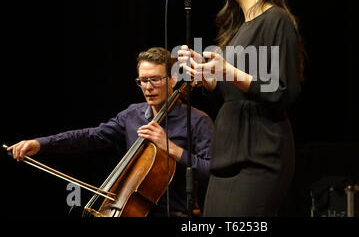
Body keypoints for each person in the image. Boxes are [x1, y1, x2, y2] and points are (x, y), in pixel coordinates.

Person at [7, 47, 214, 217]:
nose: (148, 87)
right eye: (143, 80)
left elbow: (210, 171)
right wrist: (41, 143)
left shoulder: (197, 120)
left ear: (172, 80)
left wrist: (172, 148)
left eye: (155, 79)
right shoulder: (132, 115)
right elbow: (89, 137)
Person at [178, 0, 304, 216]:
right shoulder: (236, 32)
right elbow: (229, 94)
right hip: (228, 152)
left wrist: (230, 72)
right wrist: (208, 77)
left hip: (259, 152)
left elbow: (283, 91)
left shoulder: (276, 20)